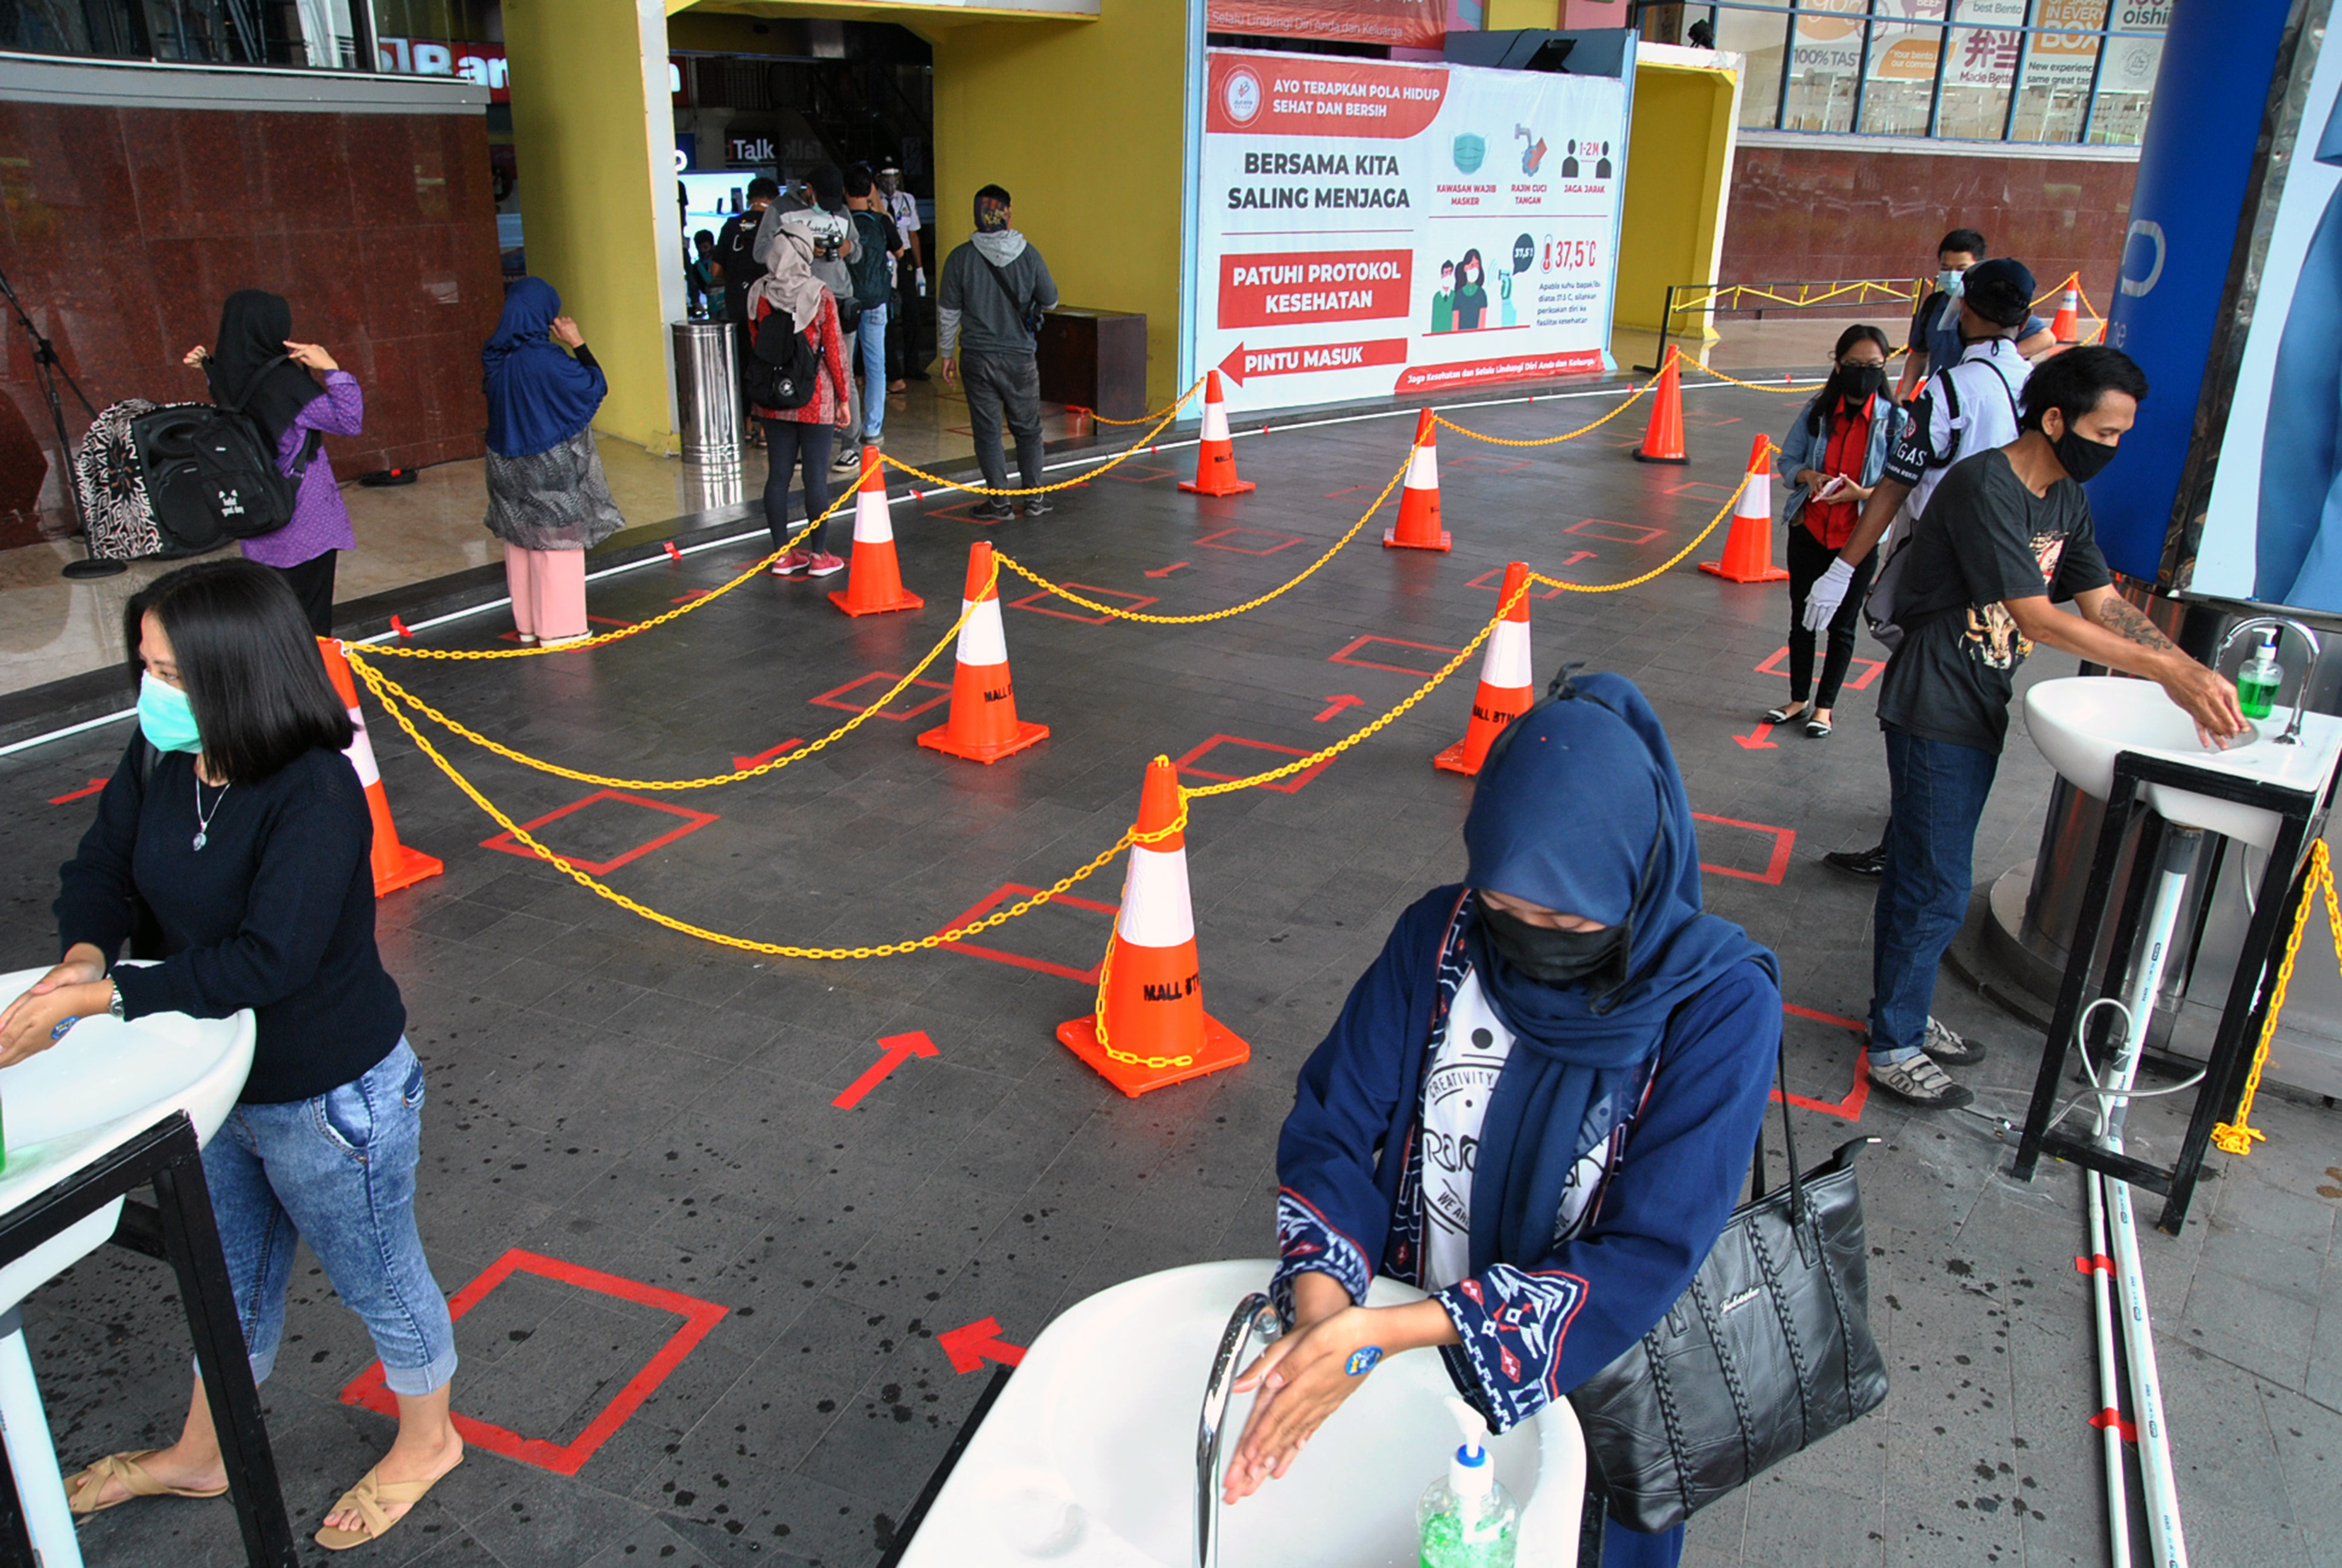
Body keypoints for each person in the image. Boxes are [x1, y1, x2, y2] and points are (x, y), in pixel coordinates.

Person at [1224, 672, 1779, 1568]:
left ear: (1635, 874)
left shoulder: (1718, 1004)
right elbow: (1335, 1119)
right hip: (1401, 1360)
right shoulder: (1441, 934)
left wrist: (1390, 1332)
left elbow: (1651, 1250)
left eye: (1562, 917)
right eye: (1504, 907)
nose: (1529, 938)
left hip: (1598, 1395)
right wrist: (1328, 1314)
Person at [0, 560, 462, 1550]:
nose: (152, 691)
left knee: (380, 1275)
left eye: (173, 673)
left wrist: (109, 996)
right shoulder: (165, 755)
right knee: (228, 1282)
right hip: (212, 1080)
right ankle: (203, 1452)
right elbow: (103, 866)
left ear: (239, 673)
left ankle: (431, 1439)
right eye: (146, 666)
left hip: (329, 1095)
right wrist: (85, 954)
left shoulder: (314, 789)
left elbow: (269, 958)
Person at [1843, 348, 2244, 1107]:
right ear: (2055, 419)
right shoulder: (1984, 484)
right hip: (1933, 703)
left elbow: (2102, 602)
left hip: (1979, 700)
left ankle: (1902, 1010)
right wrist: (2167, 674)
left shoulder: (2064, 499)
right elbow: (2038, 619)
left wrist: (2186, 664)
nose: (2112, 447)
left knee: (1923, 874)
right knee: (1938, 883)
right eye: (2105, 432)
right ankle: (1894, 1042)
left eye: (2122, 434)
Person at [1803, 256, 2041, 880]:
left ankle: (1914, 849)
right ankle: (1925, 833)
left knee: (1918, 709)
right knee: (1978, 702)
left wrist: (1843, 569)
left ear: (1964, 312)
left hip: (1942, 577)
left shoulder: (1949, 391)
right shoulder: (2037, 388)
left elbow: (1894, 486)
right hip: (2013, 582)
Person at [182, 290, 360, 636]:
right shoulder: (286, 382)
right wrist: (331, 368)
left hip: (258, 512)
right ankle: (307, 672)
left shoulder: (226, 377)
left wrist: (207, 364)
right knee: (310, 620)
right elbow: (349, 421)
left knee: (274, 615)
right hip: (304, 522)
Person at [1765, 325, 1903, 738]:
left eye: (1874, 366)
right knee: (1802, 618)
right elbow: (1787, 461)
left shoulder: (1895, 422)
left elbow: (1901, 484)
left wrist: (1863, 494)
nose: (1864, 373)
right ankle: (1797, 699)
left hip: (1857, 539)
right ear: (1838, 365)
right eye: (1855, 364)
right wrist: (1808, 476)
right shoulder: (1818, 413)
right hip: (1810, 529)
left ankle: (1824, 708)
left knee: (1842, 626)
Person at [481, 279, 626, 646]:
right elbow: (594, 385)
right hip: (546, 463)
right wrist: (577, 343)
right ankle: (560, 628)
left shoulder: (496, 356)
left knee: (519, 540)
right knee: (558, 543)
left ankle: (528, 624)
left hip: (502, 464)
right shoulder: (546, 359)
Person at [939, 183, 1059, 522]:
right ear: (1007, 215)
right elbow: (1051, 300)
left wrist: (946, 353)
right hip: (1020, 358)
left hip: (977, 358)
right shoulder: (1029, 254)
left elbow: (948, 312)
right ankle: (1033, 498)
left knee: (988, 431)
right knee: (1028, 429)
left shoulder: (960, 258)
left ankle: (999, 503)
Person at [748, 208, 854, 578]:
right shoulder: (819, 293)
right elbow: (835, 351)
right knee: (815, 478)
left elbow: (757, 342)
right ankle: (820, 555)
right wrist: (844, 398)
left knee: (778, 476)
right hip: (815, 396)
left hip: (773, 396)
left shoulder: (759, 293)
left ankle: (782, 555)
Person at [1895, 229, 2056, 403]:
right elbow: (1919, 354)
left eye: (1961, 269)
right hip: (1940, 397)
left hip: (1981, 397)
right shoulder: (1932, 306)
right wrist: (1905, 392)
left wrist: (2000, 359)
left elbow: (2046, 338)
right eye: (1946, 269)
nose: (1952, 275)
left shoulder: (1991, 305)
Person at [834, 165, 903, 476]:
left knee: (843, 367)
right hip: (876, 301)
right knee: (877, 367)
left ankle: (843, 423)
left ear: (845, 191)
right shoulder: (882, 221)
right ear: (870, 190)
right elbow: (900, 253)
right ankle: (873, 429)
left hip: (846, 303)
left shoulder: (839, 221)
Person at [876, 159, 925, 387]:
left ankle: (912, 366)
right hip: (884, 256)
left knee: (912, 314)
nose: (891, 182)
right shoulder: (873, 201)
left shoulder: (907, 199)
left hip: (904, 256)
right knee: (887, 316)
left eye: (895, 176)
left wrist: (920, 269)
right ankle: (891, 369)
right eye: (887, 177)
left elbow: (913, 234)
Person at [689, 228, 723, 319]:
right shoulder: (699, 265)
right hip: (713, 306)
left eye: (706, 247)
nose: (704, 251)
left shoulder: (721, 259)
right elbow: (709, 282)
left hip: (725, 305)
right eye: (700, 249)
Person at [1453, 249, 1489, 330]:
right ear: (1466, 268)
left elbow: (1482, 324)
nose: (1475, 268)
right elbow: (1455, 325)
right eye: (1472, 265)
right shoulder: (1459, 295)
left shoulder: (1481, 294)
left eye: (1477, 264)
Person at [1431, 261, 1455, 334]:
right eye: (1446, 273)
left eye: (1450, 273)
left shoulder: (1455, 296)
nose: (1448, 276)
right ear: (1442, 276)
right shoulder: (1437, 297)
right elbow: (1435, 320)